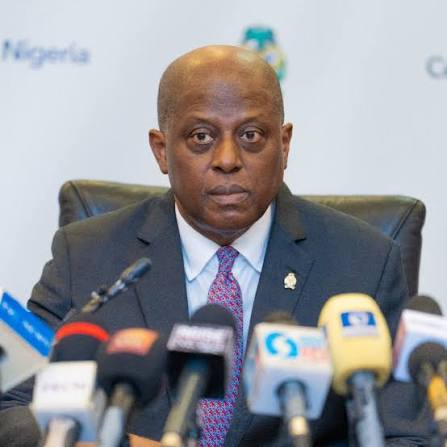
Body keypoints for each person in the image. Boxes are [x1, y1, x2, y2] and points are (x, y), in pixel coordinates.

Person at [0, 45, 429, 446]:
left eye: (251, 135)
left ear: (284, 144)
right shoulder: (87, 255)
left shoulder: (364, 263)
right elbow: (12, 408)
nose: (227, 159)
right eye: (201, 137)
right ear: (161, 150)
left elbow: (406, 436)